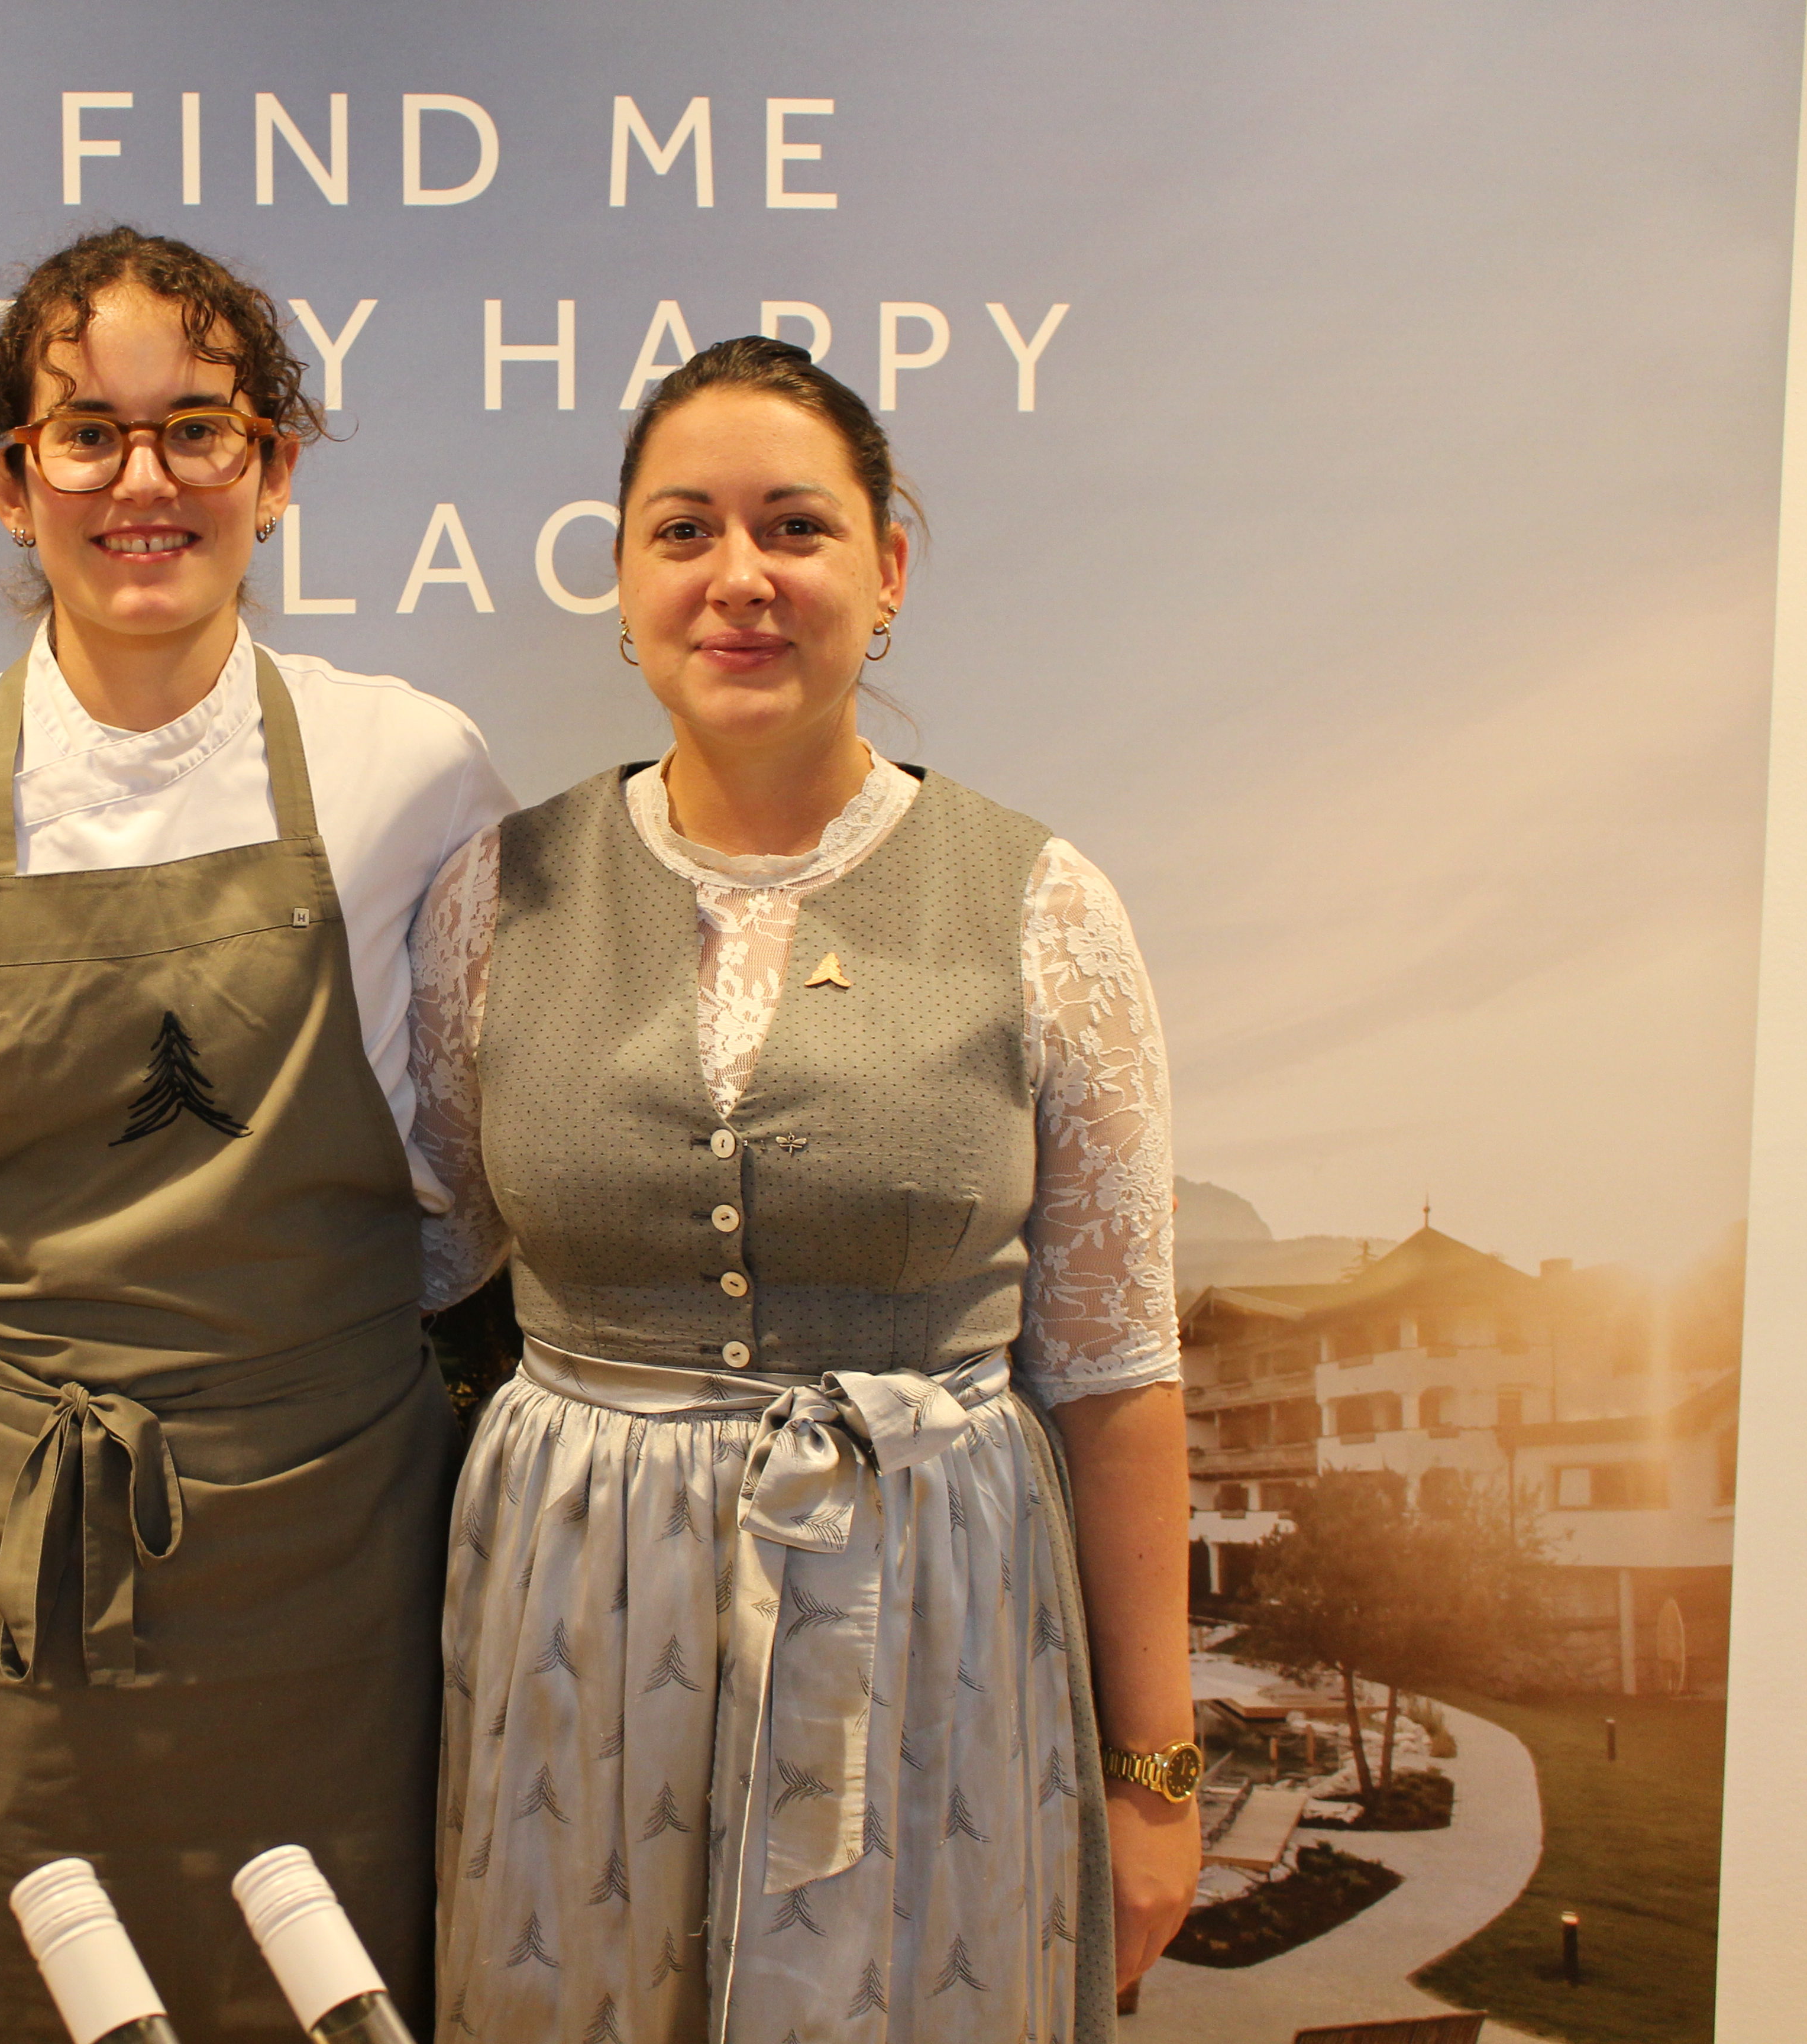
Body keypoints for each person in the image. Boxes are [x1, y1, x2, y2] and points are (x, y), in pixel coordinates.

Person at [416, 337, 1199, 2043]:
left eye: (798, 528)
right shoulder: (498, 893)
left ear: (888, 567)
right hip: (578, 1609)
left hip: (934, 1602)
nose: (740, 580)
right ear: (623, 582)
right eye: (683, 532)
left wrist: (1155, 1774)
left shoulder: (1044, 905)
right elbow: (420, 1251)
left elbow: (1121, 1376)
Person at [0, 227, 512, 2042]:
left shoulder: (416, 772)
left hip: (347, 1544)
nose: (143, 483)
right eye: (85, 436)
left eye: (196, 429)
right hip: (25, 1578)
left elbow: (476, 1192)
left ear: (272, 465)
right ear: (5, 480)